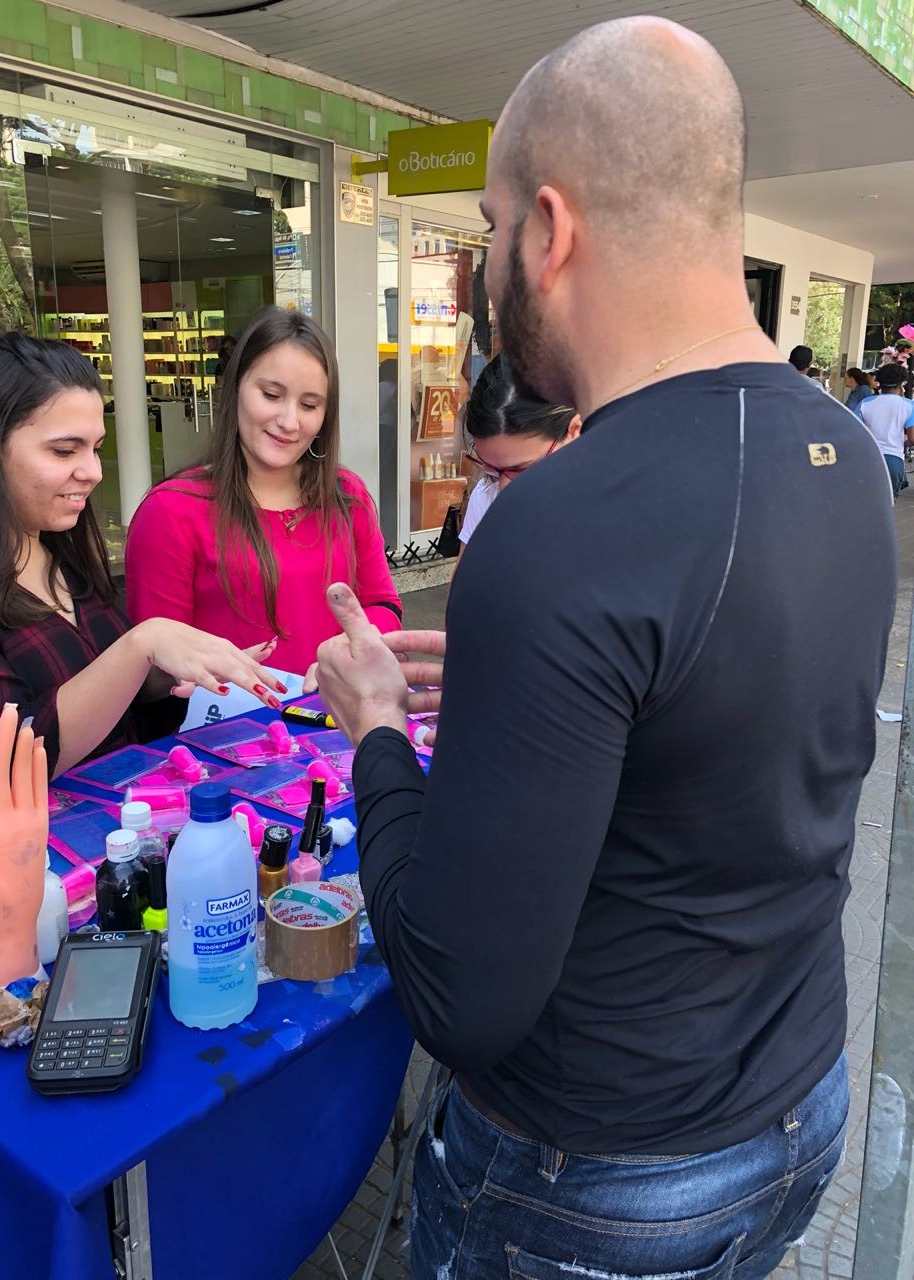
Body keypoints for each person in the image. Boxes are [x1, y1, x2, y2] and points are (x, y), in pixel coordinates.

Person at [310, 17, 896, 1280]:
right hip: (796, 1108)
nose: (483, 265)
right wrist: (540, 702)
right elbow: (720, 713)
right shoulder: (846, 455)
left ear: (551, 229)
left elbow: (461, 993)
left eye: (488, 224)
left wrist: (371, 726)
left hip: (600, 1177)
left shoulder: (559, 524)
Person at [0, 332, 286, 791]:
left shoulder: (62, 554)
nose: (92, 471)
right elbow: (1, 762)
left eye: (95, 447)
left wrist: (166, 678)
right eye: (64, 451)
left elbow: (118, 720)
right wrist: (139, 647)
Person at [125, 308, 401, 676]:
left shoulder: (347, 497)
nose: (289, 422)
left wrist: (355, 644)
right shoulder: (171, 511)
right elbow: (149, 670)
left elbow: (383, 604)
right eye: (271, 395)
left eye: (309, 405)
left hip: (337, 719)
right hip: (229, 728)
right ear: (236, 386)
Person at [457, 352, 581, 562]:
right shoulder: (485, 494)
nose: (503, 488)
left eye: (521, 470)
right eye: (490, 470)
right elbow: (462, 588)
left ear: (574, 432)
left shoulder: (620, 510)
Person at [859, 362, 914, 498]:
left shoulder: (865, 403)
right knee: (886, 506)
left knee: (864, 501)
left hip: (866, 458)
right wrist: (903, 442)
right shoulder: (909, 406)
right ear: (901, 384)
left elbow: (853, 432)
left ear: (879, 382)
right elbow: (912, 439)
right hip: (893, 461)